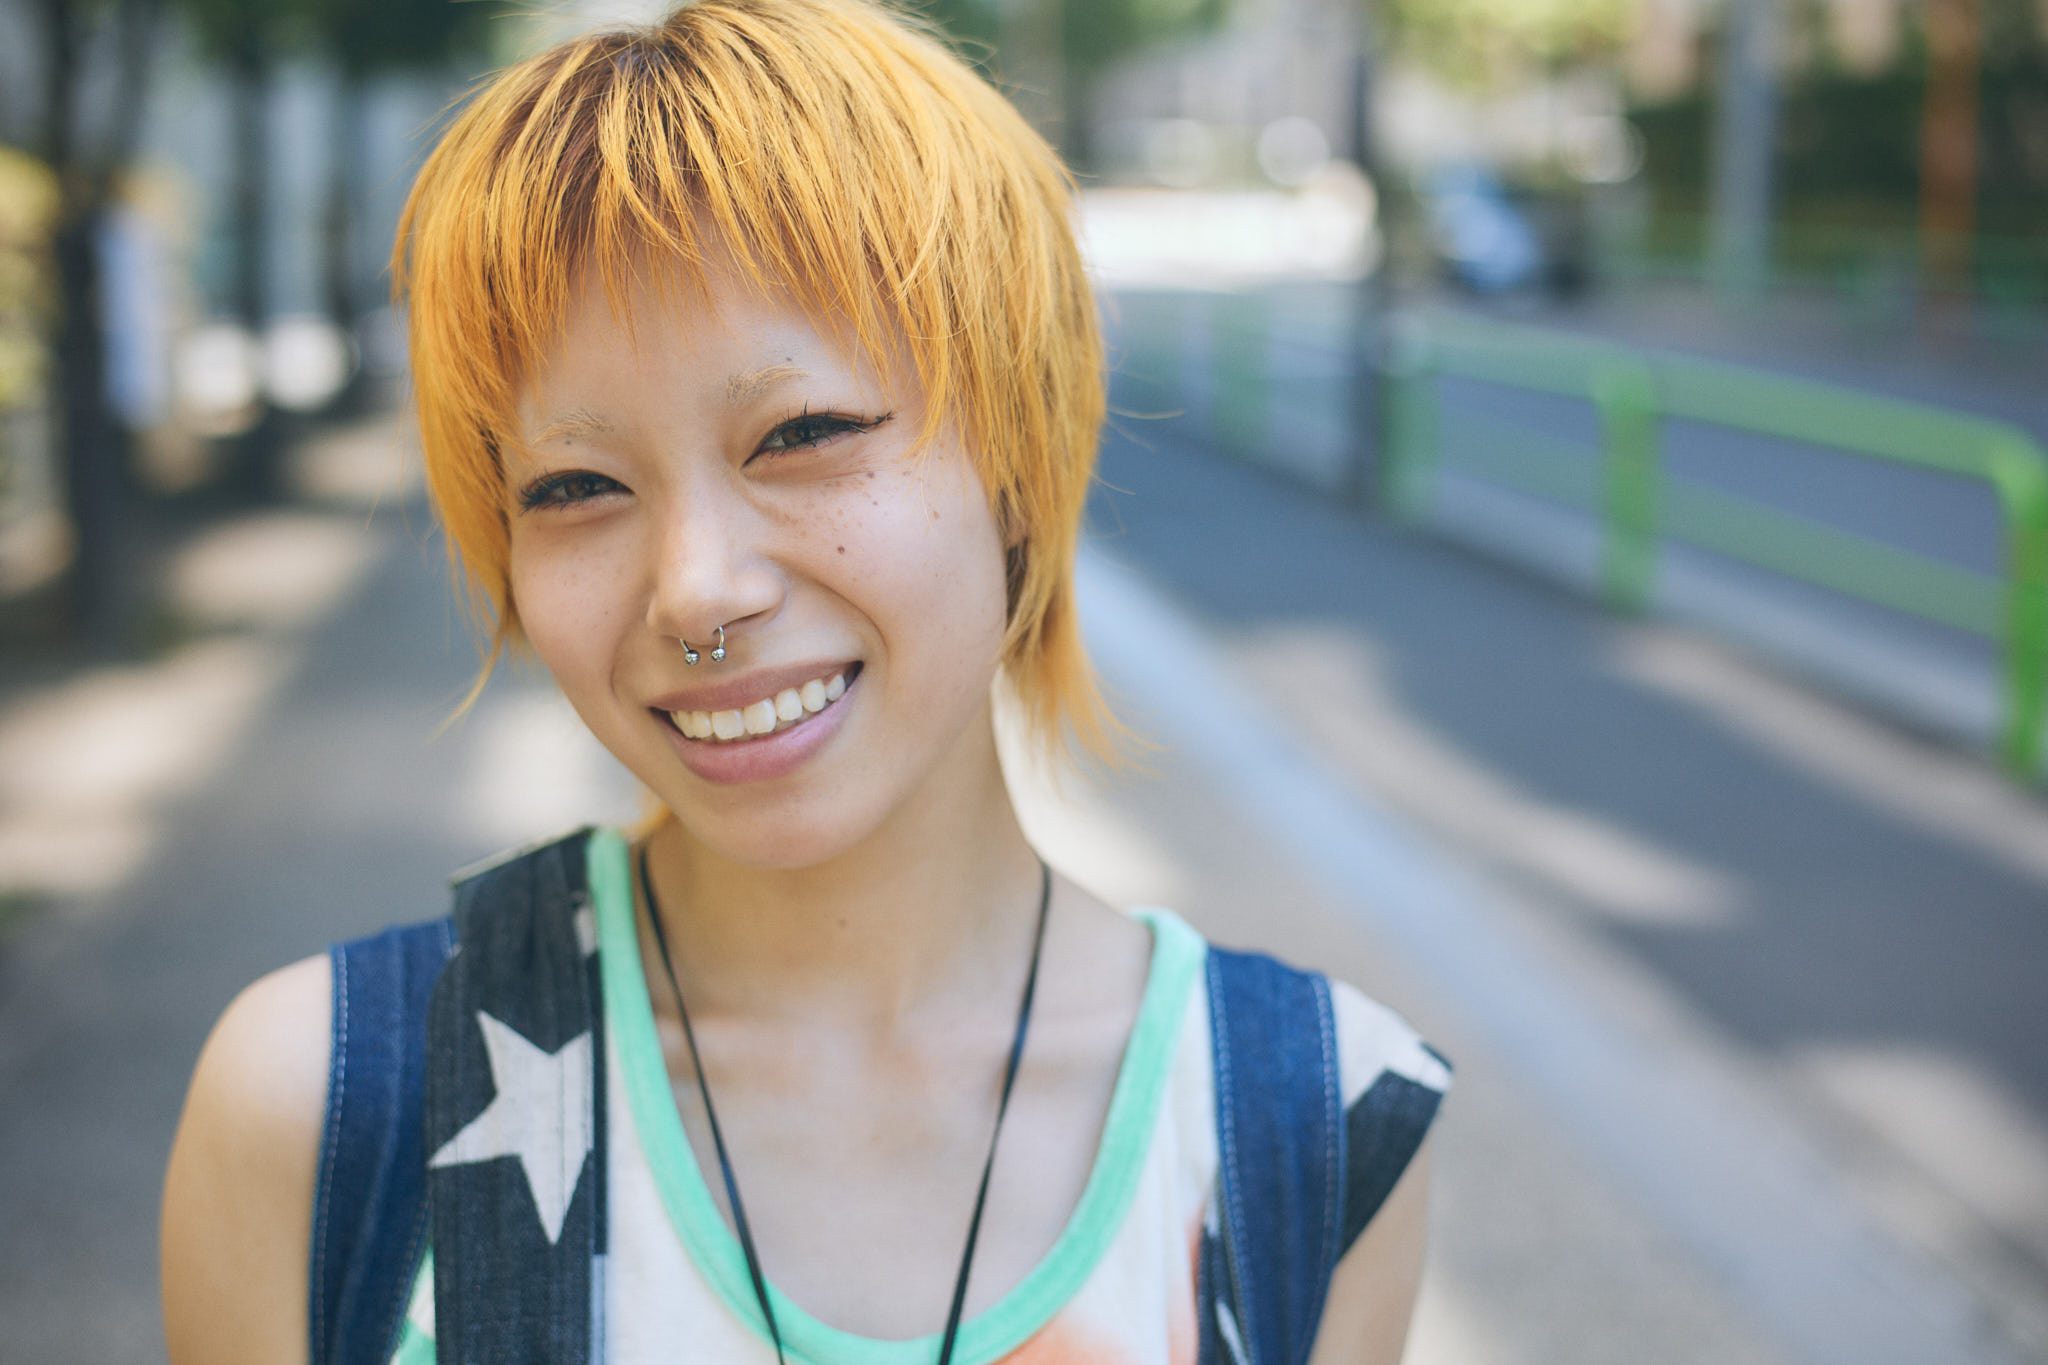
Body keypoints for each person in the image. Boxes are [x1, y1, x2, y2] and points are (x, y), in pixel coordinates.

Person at [159, 3, 1450, 1363]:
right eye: (577, 484)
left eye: (802, 431)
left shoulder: (1305, 1126)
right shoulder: (330, 1104)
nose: (697, 588)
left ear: (1015, 449)